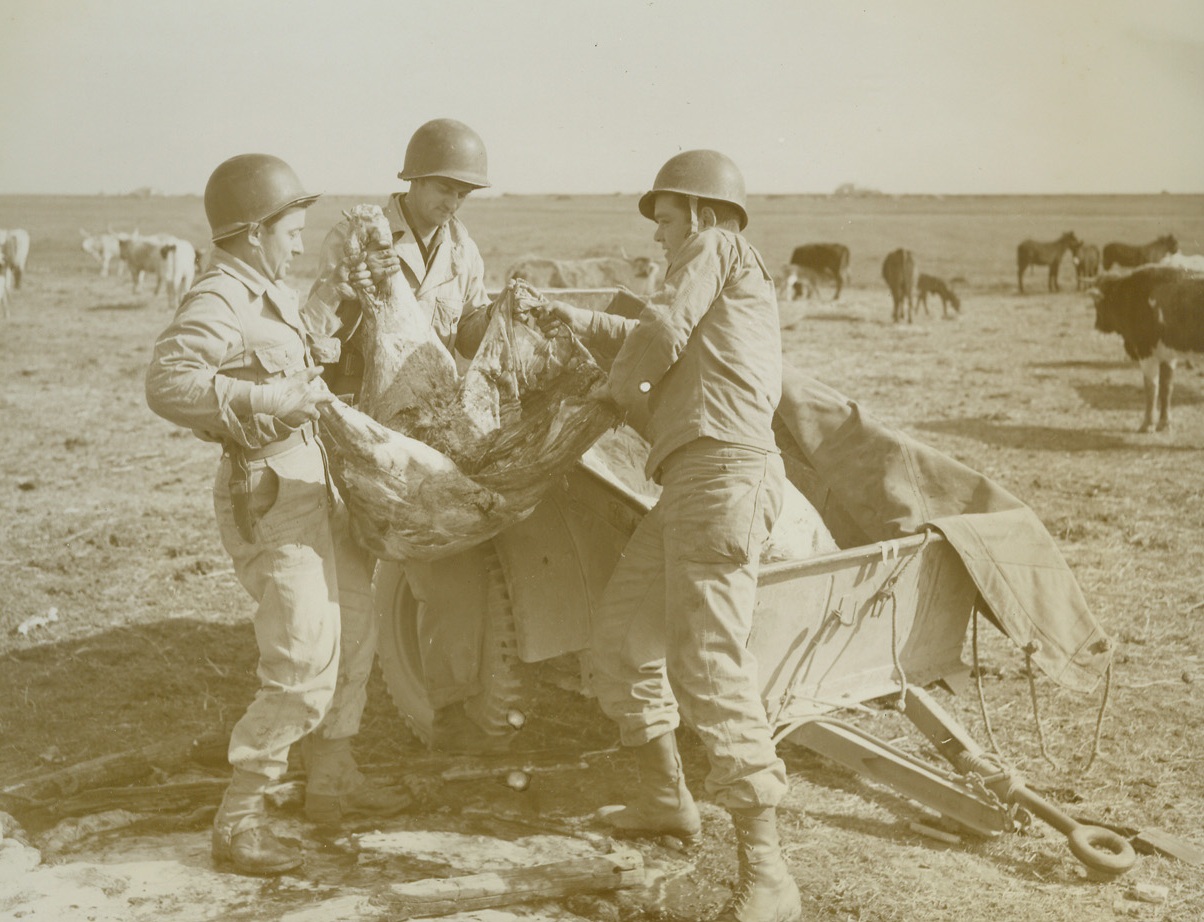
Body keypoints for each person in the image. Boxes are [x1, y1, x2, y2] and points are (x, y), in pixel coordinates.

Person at [540, 150, 802, 922]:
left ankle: (770, 873)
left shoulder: (716, 248)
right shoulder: (718, 273)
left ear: (700, 213)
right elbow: (647, 330)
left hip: (723, 476)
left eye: (664, 223)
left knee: (707, 663)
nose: (658, 239)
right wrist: (569, 321)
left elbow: (658, 329)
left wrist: (611, 397)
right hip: (692, 482)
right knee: (621, 638)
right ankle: (666, 799)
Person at [145, 153, 409, 876]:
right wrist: (266, 403)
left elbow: (295, 353)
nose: (298, 241)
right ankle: (240, 819)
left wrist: (328, 294)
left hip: (319, 489)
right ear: (256, 230)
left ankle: (332, 783)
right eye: (292, 229)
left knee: (353, 635)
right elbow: (168, 381)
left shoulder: (268, 290)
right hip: (274, 501)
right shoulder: (220, 296)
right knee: (300, 663)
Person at [303, 118, 513, 754]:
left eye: (463, 193)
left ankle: (451, 720)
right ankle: (321, 736)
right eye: (444, 188)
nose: (452, 203)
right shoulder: (361, 234)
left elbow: (467, 325)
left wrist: (507, 316)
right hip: (354, 427)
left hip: (420, 434)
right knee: (341, 586)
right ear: (414, 178)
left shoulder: (461, 248)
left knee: (447, 570)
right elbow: (323, 324)